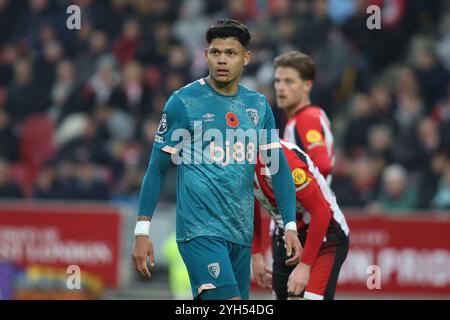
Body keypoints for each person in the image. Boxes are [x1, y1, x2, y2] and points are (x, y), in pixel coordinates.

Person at [131, 19, 301, 300]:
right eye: (216, 52)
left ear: (246, 58)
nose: (222, 60)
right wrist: (141, 230)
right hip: (199, 232)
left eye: (230, 53)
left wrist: (290, 226)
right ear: (206, 55)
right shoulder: (184, 102)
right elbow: (156, 168)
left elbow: (277, 168)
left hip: (239, 234)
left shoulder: (258, 106)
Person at [252, 140, 349, 300]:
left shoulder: (285, 160)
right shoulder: (235, 160)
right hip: (288, 236)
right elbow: (248, 205)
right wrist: (255, 255)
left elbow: (321, 212)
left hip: (326, 234)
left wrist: (305, 266)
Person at [274, 51, 335, 183]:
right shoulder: (298, 119)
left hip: (309, 203)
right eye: (278, 81)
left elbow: (322, 167)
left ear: (307, 85)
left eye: (288, 82)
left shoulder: (307, 117)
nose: (280, 87)